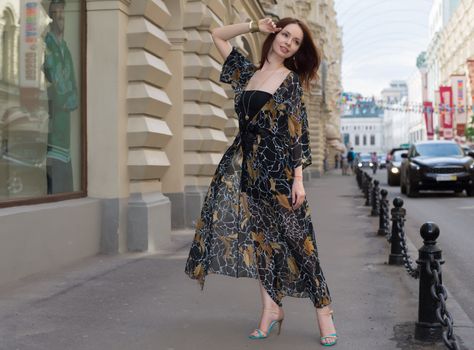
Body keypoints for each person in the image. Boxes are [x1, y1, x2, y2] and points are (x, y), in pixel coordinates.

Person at [184, 17, 337, 346]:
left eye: (295, 42)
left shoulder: (290, 80)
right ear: (275, 33)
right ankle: (270, 310)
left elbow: (295, 132)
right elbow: (217, 34)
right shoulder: (246, 73)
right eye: (285, 35)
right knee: (263, 244)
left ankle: (324, 311)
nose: (288, 43)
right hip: (250, 172)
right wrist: (254, 24)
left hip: (280, 175)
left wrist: (298, 179)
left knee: (301, 244)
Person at [43, 0, 78, 194]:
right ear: (51, 16)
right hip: (53, 128)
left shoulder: (66, 49)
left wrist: (70, 96)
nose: (61, 16)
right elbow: (55, 82)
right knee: (55, 181)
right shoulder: (47, 47)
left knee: (65, 183)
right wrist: (65, 95)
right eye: (57, 12)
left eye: (63, 11)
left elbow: (72, 86)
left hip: (65, 133)